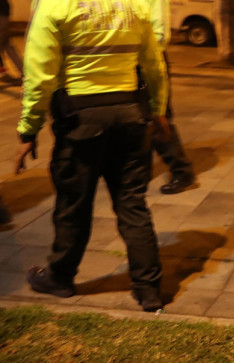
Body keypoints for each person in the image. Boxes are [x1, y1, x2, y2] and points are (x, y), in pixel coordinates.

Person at [15, 0, 169, 312]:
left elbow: (40, 76)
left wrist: (28, 131)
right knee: (132, 203)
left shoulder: (55, 7)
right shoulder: (134, 5)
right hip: (129, 117)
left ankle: (60, 277)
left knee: (73, 206)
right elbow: (153, 62)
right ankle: (148, 288)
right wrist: (158, 107)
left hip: (80, 121)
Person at [146, 0, 196, 195]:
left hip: (151, 59)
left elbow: (159, 35)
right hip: (130, 60)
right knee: (138, 119)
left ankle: (182, 171)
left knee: (158, 117)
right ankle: (141, 170)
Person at [0, 0, 23, 81]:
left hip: (1, 18)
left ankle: (25, 74)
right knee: (8, 47)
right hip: (4, 18)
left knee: (7, 47)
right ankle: (24, 73)